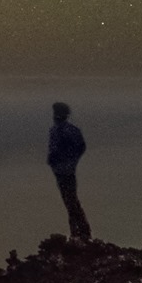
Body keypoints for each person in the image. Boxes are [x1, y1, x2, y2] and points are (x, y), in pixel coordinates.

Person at [47, 101, 92, 240]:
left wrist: (67, 161)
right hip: (63, 169)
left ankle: (79, 232)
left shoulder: (60, 131)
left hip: (64, 170)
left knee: (70, 201)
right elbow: (81, 147)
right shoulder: (66, 130)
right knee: (71, 200)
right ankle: (80, 231)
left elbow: (79, 147)